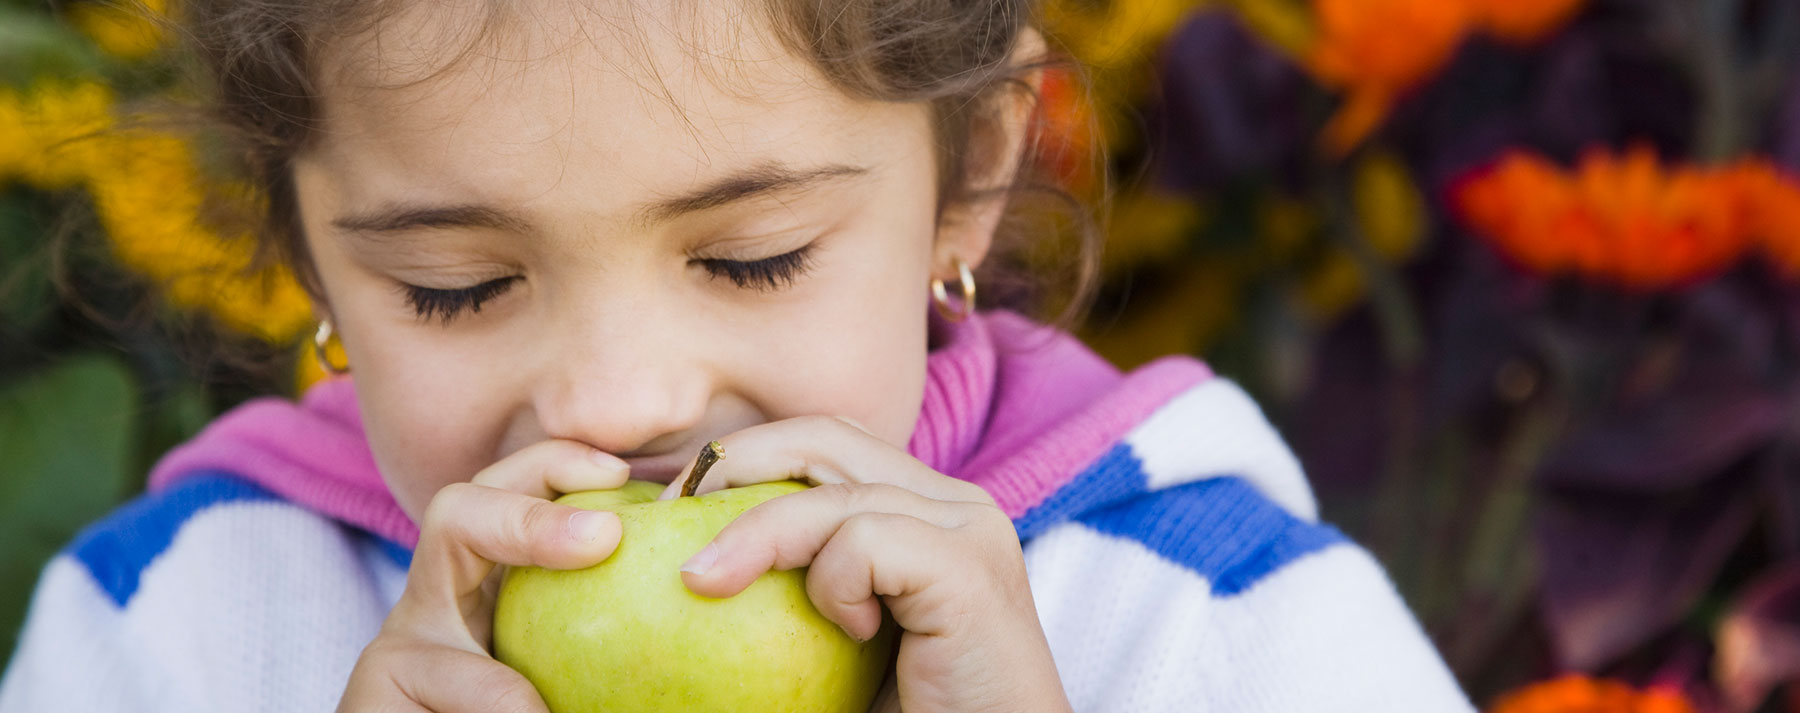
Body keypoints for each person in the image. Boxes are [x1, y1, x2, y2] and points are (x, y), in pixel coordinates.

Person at [0, 0, 1473, 711]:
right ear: (307, 252)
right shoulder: (176, 627)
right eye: (454, 285)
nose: (620, 399)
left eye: (750, 255)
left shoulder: (1210, 622)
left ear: (969, 169)